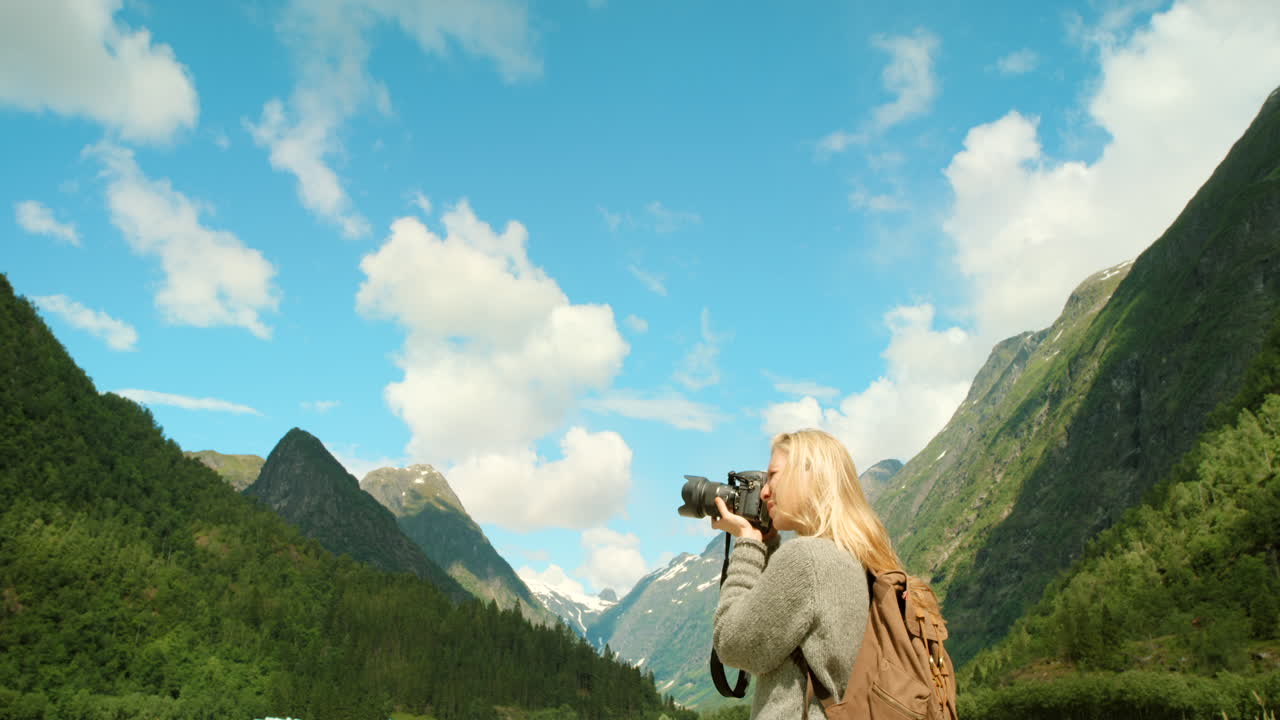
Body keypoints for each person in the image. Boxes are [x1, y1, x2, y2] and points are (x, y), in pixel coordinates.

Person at [711, 429, 902, 720]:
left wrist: (748, 545)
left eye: (773, 475)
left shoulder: (807, 559)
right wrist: (769, 543)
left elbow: (733, 645)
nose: (764, 491)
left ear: (806, 476)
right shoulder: (859, 558)